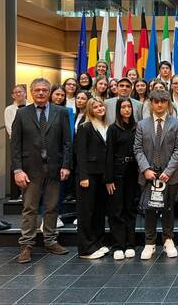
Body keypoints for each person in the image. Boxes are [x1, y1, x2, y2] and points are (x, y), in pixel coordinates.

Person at [11, 78, 72, 263]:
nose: (41, 93)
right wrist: (17, 170)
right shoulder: (22, 114)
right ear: (31, 92)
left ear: (49, 92)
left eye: (44, 90)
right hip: (30, 170)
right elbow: (15, 145)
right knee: (29, 208)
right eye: (37, 90)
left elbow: (67, 142)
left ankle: (50, 240)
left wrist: (66, 165)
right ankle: (27, 245)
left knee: (52, 207)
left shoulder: (60, 112)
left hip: (54, 168)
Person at [135, 90, 178, 259]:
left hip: (169, 175)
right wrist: (146, 169)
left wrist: (168, 171)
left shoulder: (176, 124)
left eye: (163, 102)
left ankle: (168, 239)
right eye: (156, 102)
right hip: (149, 175)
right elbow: (138, 149)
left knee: (169, 208)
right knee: (149, 209)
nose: (159, 105)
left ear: (168, 104)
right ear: (151, 104)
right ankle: (149, 243)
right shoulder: (142, 124)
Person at [75, 98, 109, 259]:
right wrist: (83, 176)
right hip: (88, 175)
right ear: (90, 110)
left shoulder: (106, 126)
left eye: (101, 105)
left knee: (99, 211)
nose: (100, 108)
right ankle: (85, 248)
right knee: (86, 212)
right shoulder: (85, 127)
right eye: (95, 107)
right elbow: (80, 154)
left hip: (102, 176)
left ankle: (97, 242)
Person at [105, 98, 139, 260]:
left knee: (130, 209)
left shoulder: (136, 127)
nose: (127, 110)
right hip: (117, 172)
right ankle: (118, 245)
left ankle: (130, 244)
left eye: (129, 107)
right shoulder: (113, 129)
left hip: (133, 172)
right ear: (118, 110)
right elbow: (109, 154)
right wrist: (109, 178)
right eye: (123, 107)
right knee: (116, 210)